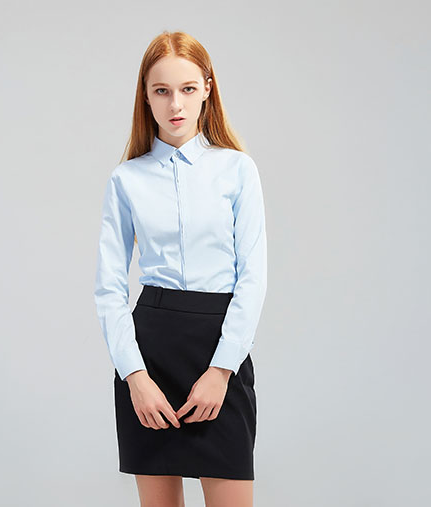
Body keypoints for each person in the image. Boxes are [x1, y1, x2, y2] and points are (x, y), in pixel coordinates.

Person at [94, 30, 267, 507]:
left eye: (188, 89)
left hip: (220, 350)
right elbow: (108, 289)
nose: (176, 104)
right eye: (162, 90)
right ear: (146, 96)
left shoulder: (237, 170)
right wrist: (135, 378)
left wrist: (222, 370)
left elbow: (253, 279)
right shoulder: (126, 179)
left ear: (207, 89)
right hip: (149, 355)